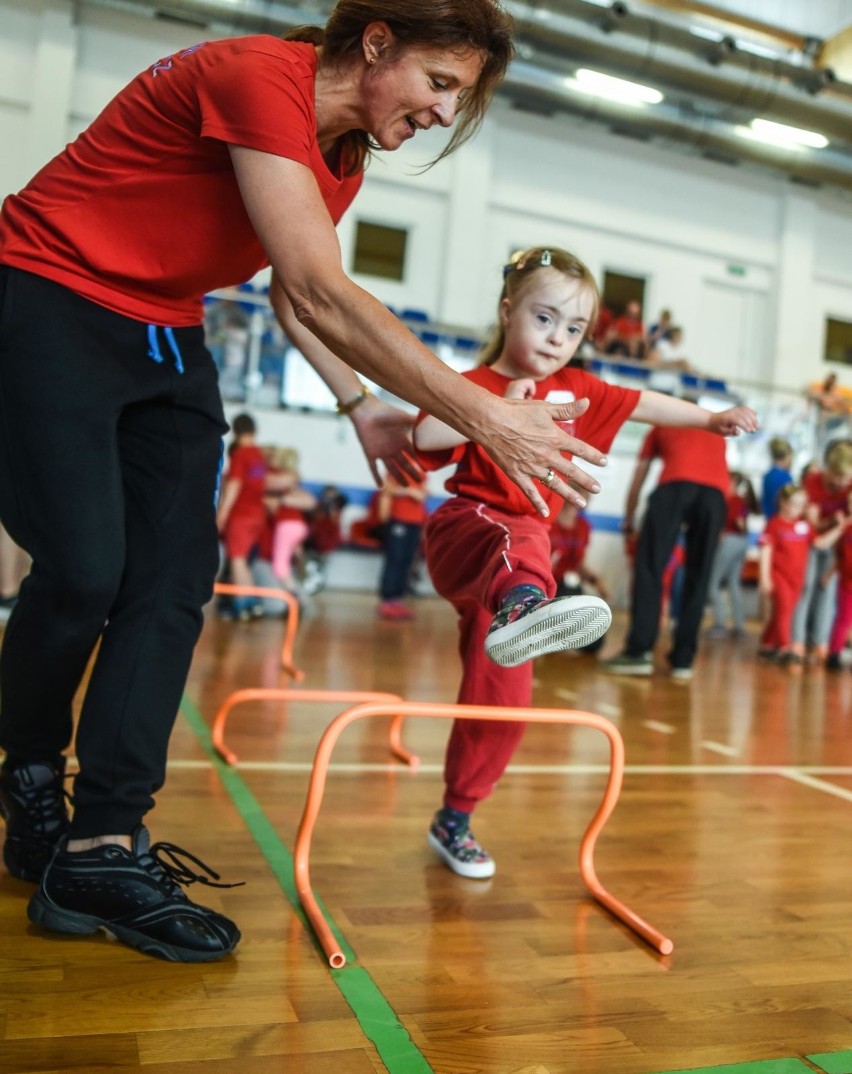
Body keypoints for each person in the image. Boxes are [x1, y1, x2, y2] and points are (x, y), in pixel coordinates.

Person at [0, 2, 622, 964]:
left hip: (165, 330)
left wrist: (357, 402)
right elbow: (322, 282)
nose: (443, 114)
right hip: (45, 290)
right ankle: (33, 768)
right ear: (377, 43)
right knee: (84, 571)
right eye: (439, 83)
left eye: (459, 98)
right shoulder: (259, 77)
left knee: (170, 583)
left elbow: (294, 292)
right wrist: (483, 411)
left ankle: (101, 845)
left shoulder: (344, 157)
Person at [413, 246, 758, 878]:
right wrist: (493, 412)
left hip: (511, 572)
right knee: (518, 531)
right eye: (544, 319)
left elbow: (646, 401)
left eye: (573, 329)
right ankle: (526, 604)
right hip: (467, 535)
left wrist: (711, 418)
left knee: (505, 704)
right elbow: (424, 438)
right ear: (508, 310)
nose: (557, 339)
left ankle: (454, 816)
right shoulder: (477, 384)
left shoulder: (579, 390)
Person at [600, 423, 733, 680]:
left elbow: (640, 474)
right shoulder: (716, 432)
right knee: (700, 574)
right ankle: (683, 660)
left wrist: (629, 517)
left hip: (674, 488)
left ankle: (639, 651)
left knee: (650, 566)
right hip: (715, 497)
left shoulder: (665, 424)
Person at [758, 484, 842, 663]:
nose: (797, 509)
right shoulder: (774, 524)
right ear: (783, 502)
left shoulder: (804, 526)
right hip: (778, 576)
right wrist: (764, 578)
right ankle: (785, 647)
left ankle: (767, 642)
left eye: (801, 505)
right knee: (785, 611)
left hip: (796, 579)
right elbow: (766, 550)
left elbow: (819, 543)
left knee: (781, 612)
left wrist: (839, 529)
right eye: (794, 504)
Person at [789, 439, 852, 664]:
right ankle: (797, 641)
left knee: (827, 591)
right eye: (839, 477)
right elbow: (814, 524)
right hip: (812, 542)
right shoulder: (813, 482)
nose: (843, 483)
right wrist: (834, 522)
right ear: (829, 469)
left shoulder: (848, 485)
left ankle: (819, 642)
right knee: (805, 588)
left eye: (847, 478)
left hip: (837, 547)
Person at [216, 413, 269, 621]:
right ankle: (251, 603)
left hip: (242, 514)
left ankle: (241, 604)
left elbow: (235, 486)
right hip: (257, 514)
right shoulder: (259, 455)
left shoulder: (241, 454)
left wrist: (223, 513)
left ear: (235, 432)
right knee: (243, 561)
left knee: (237, 559)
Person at [704, 470, 758, 640]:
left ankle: (720, 623)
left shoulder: (729, 500)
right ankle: (739, 625)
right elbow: (743, 525)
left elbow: (734, 521)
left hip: (729, 542)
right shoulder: (742, 500)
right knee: (734, 584)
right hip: (742, 542)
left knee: (712, 582)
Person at [376, 473, 429, 620]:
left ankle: (398, 600)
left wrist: (423, 493)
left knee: (407, 560)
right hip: (399, 518)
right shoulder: (398, 461)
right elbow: (387, 488)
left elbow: (421, 492)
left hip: (416, 521)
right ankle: (387, 600)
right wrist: (409, 491)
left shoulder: (423, 467)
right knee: (395, 559)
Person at [825, 486, 852, 671]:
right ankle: (834, 654)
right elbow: (840, 557)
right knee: (843, 619)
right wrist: (829, 573)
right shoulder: (846, 528)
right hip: (847, 583)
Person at [761, 437, 794, 519]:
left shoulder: (767, 476)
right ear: (787, 457)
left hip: (769, 518)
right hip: (780, 518)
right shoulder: (785, 477)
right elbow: (789, 500)